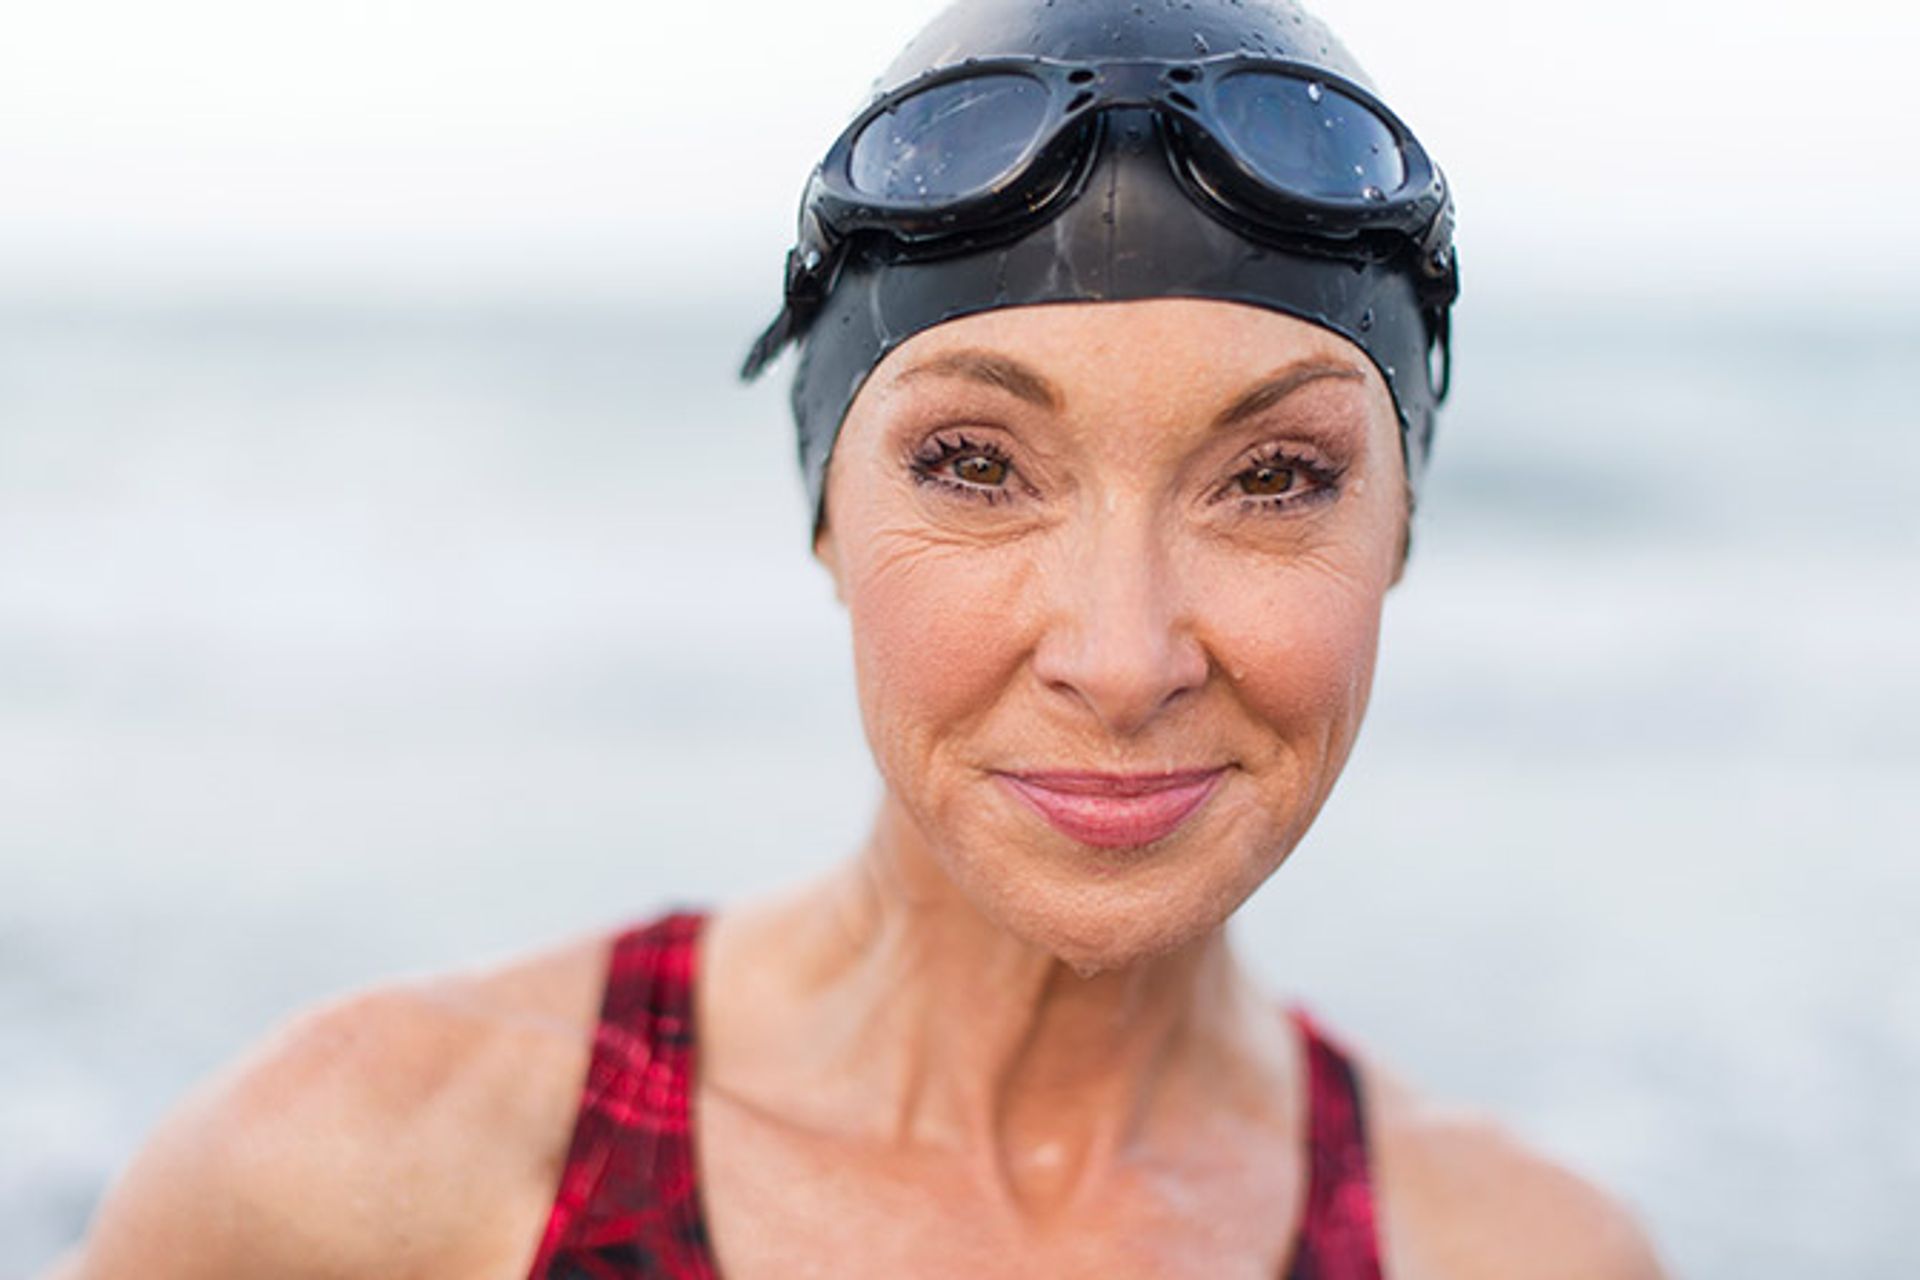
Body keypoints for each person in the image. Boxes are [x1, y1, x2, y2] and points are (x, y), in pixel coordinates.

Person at [53, 1, 1669, 1276]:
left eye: (1275, 479)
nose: (1122, 657)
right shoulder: (366, 1179)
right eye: (976, 467)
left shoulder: (1521, 1257)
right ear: (829, 512)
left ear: (1397, 527)